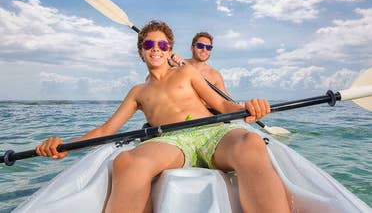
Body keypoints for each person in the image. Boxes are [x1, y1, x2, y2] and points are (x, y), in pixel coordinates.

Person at [36, 21, 290, 213]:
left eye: (162, 45)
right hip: (170, 141)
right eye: (149, 44)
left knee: (250, 144)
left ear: (169, 50)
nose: (155, 49)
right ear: (141, 51)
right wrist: (67, 146)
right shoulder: (138, 92)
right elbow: (106, 129)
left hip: (212, 132)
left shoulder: (187, 73)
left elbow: (223, 104)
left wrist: (247, 106)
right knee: (127, 162)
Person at [170, 32, 229, 96]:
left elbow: (226, 98)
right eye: (200, 46)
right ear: (192, 48)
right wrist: (170, 60)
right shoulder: (177, 63)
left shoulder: (215, 75)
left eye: (208, 47)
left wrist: (238, 105)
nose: (204, 50)